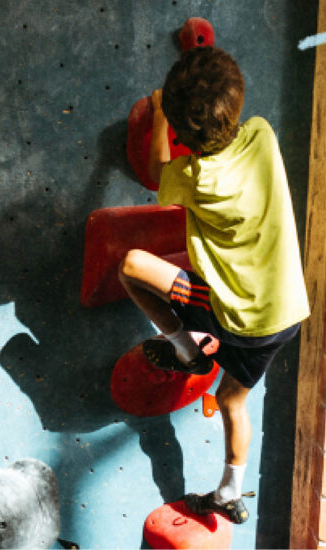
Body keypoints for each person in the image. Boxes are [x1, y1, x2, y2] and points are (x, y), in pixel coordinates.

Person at [117, 46, 310, 523]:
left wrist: (161, 114)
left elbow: (158, 174)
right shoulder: (263, 135)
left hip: (235, 320)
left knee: (132, 267)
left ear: (186, 134)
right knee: (230, 399)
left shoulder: (193, 178)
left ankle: (187, 349)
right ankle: (229, 491)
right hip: (284, 316)